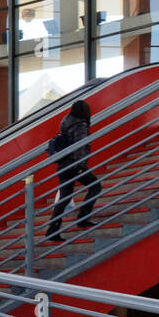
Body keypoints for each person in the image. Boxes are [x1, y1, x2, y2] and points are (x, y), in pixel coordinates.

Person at [46, 99, 102, 241]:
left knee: (64, 198)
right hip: (74, 164)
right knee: (96, 187)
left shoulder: (66, 122)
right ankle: (83, 217)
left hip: (63, 165)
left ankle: (52, 230)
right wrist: (80, 166)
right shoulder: (80, 125)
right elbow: (81, 147)